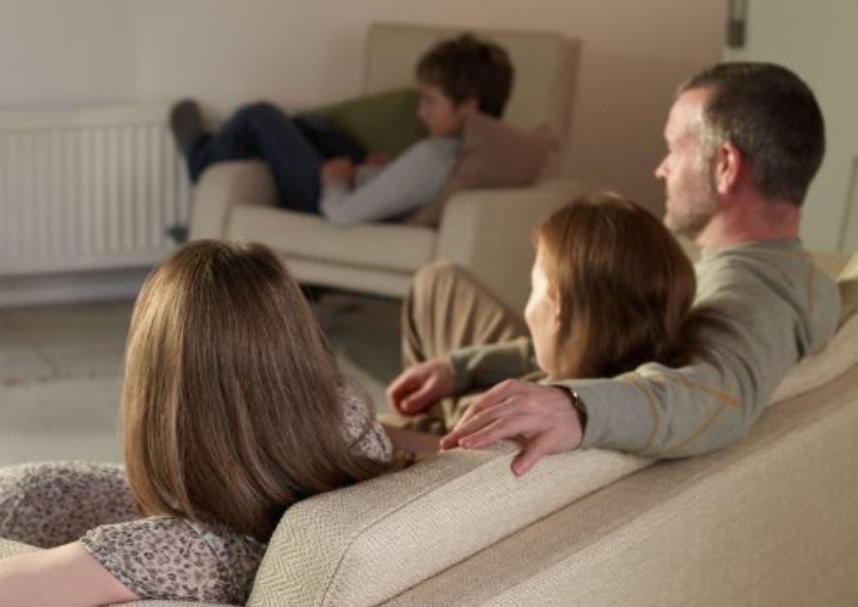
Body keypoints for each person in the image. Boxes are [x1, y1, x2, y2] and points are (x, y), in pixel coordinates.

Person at [0, 240, 393, 606]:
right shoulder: (349, 418)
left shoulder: (169, 552)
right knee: (26, 490)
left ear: (157, 389)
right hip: (218, 498)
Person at [387, 62, 841, 476]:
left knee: (435, 288)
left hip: (561, 391)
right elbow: (612, 335)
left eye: (673, 149)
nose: (661, 169)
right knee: (441, 284)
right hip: (570, 358)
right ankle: (430, 416)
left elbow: (718, 396)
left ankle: (418, 441)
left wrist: (574, 405)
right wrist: (463, 367)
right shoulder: (778, 271)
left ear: (725, 166)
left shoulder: (749, 293)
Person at [384, 192, 696, 449]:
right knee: (439, 280)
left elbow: (445, 462)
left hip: (445, 433)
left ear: (557, 305)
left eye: (533, 288)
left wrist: (371, 434)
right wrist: (459, 367)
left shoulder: (534, 420)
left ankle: (423, 417)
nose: (527, 308)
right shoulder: (646, 374)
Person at [168, 33, 514, 225]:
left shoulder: (433, 155)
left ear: (468, 105)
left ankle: (200, 155)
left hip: (324, 202)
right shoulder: (482, 149)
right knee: (312, 126)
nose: (421, 113)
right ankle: (226, 145)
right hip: (364, 185)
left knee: (259, 116)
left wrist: (334, 181)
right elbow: (407, 190)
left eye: (429, 101)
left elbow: (343, 213)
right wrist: (381, 174)